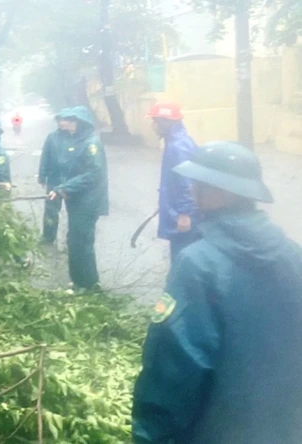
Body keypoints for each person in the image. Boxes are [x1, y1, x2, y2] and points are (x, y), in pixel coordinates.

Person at [132, 141, 302, 444]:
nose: (192, 192)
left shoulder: (198, 265)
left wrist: (151, 436)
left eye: (200, 184)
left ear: (225, 192)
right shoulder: (293, 254)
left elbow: (174, 369)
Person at [48, 106, 108, 291]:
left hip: (88, 202)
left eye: (72, 121)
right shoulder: (74, 141)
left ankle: (89, 285)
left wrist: (65, 188)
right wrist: (60, 188)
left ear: (82, 123)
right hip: (76, 199)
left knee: (82, 242)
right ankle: (78, 281)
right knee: (74, 240)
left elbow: (93, 173)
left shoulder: (91, 144)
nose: (68, 124)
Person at [148, 103, 200, 262]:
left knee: (183, 257)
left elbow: (187, 182)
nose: (152, 126)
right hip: (179, 209)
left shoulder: (177, 147)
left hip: (183, 215)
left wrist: (185, 214)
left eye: (154, 121)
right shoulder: (177, 142)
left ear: (164, 123)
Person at [38, 109, 71, 244]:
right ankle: (48, 236)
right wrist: (42, 176)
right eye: (60, 120)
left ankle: (72, 238)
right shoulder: (52, 137)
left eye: (65, 120)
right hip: (54, 180)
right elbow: (45, 156)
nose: (62, 123)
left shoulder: (76, 137)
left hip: (71, 181)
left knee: (73, 212)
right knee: (51, 210)